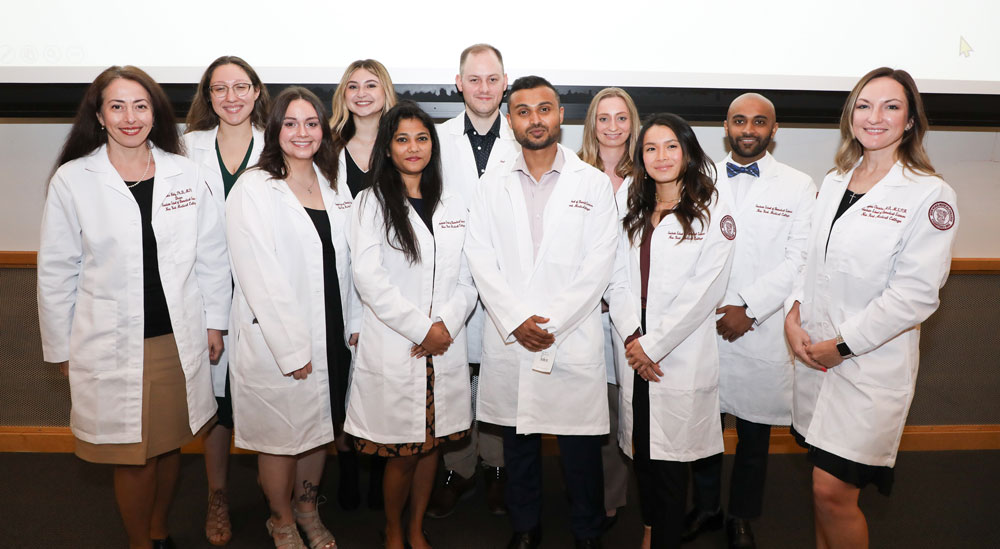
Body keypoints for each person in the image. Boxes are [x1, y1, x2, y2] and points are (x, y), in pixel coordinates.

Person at [37, 65, 229, 549]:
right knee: (132, 456)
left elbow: (210, 255)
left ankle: (159, 531)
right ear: (99, 116)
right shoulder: (73, 179)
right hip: (109, 341)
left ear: (155, 112)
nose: (129, 117)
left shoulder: (187, 173)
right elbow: (58, 270)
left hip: (174, 337)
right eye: (116, 106)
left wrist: (215, 324)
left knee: (167, 449)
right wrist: (60, 347)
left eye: (140, 106)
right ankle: (139, 543)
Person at [784, 67, 958, 549]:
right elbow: (809, 261)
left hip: (867, 369)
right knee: (822, 493)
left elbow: (916, 295)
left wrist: (842, 345)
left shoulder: (929, 194)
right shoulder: (836, 180)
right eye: (864, 105)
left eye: (891, 107)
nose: (875, 117)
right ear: (850, 116)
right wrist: (792, 315)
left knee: (832, 493)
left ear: (909, 121)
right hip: (814, 361)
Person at [464, 75, 618, 549]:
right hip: (512, 334)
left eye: (544, 109)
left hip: (568, 336)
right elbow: (479, 255)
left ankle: (587, 531)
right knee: (519, 442)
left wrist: (550, 323)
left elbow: (600, 262)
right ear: (510, 120)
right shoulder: (491, 185)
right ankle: (525, 527)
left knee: (580, 450)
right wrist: (515, 321)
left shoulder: (590, 183)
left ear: (561, 117)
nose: (536, 119)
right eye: (524, 111)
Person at [684, 93, 816, 549]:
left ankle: (741, 516)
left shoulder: (799, 186)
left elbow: (800, 260)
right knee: (702, 426)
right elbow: (686, 249)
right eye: (740, 121)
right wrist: (715, 307)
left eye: (759, 122)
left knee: (754, 433)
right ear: (726, 126)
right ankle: (706, 508)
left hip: (760, 328)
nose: (748, 129)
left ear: (773, 131)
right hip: (703, 324)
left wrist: (750, 308)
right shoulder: (698, 177)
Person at [226, 86, 356, 549]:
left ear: (324, 129)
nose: (303, 132)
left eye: (312, 123)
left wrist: (354, 323)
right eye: (291, 123)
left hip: (332, 331)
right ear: (275, 130)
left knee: (319, 430)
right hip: (281, 338)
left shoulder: (335, 185)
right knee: (281, 436)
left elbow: (351, 262)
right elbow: (258, 275)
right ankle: (281, 520)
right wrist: (292, 347)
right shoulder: (254, 187)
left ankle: (307, 509)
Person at [344, 101, 478, 549]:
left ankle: (418, 526)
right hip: (402, 345)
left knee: (432, 449)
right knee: (401, 454)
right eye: (402, 139)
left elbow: (469, 275)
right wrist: (423, 330)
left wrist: (445, 325)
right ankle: (394, 529)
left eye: (422, 138)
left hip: (443, 346)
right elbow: (369, 278)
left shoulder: (454, 203)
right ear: (388, 148)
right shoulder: (370, 202)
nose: (413, 147)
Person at [605, 113, 735, 549]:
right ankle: (651, 529)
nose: (661, 157)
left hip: (676, 354)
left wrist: (653, 346)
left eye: (671, 147)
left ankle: (662, 537)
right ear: (640, 157)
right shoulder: (628, 197)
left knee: (671, 461)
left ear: (688, 151)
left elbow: (707, 289)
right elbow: (615, 276)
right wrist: (631, 338)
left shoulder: (713, 205)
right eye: (650, 149)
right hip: (634, 347)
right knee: (643, 452)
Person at [429, 42, 520, 518]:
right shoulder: (435, 139)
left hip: (507, 278)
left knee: (499, 375)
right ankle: (459, 468)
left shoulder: (525, 137)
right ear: (459, 83)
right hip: (452, 277)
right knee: (456, 375)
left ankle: (498, 467)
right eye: (474, 79)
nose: (484, 88)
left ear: (505, 83)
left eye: (493, 79)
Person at [184, 54, 270, 546]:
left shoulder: (279, 142)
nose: (232, 97)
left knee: (266, 393)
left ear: (257, 92)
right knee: (215, 404)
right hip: (207, 291)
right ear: (208, 96)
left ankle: (272, 490)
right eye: (220, 89)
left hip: (266, 291)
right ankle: (218, 496)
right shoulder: (185, 148)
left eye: (241, 87)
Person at [578, 86, 640, 530]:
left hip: (630, 313)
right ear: (591, 124)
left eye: (621, 118)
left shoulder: (652, 172)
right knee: (588, 409)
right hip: (583, 314)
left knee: (623, 408)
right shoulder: (573, 174)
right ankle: (589, 494)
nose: (613, 127)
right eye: (604, 118)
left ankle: (612, 498)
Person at [331, 59, 398, 198]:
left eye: (371, 86)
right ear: (343, 94)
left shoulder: (402, 143)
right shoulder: (325, 143)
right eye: (353, 87)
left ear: (386, 91)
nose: (361, 93)